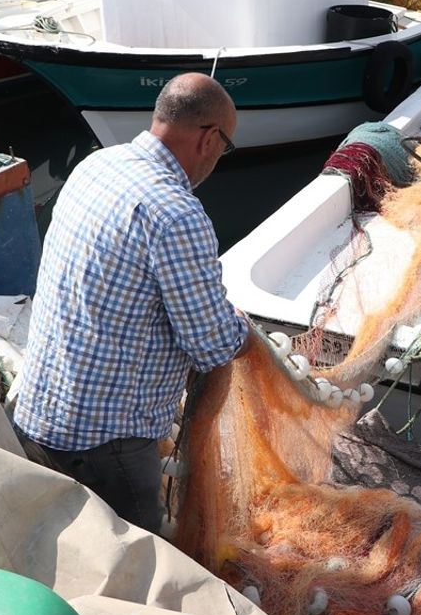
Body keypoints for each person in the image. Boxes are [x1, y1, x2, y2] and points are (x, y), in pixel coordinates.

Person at [13, 73, 249, 533]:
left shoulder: (97, 165)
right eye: (225, 147)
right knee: (136, 568)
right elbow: (213, 345)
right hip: (106, 449)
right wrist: (242, 330)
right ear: (208, 139)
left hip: (35, 417)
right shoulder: (176, 213)